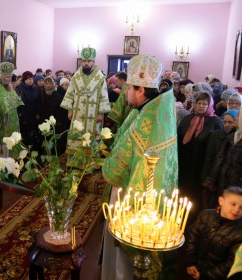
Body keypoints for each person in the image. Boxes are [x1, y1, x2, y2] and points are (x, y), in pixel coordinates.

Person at [101, 55, 178, 280]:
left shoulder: (148, 120)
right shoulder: (158, 108)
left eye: (128, 89)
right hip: (154, 194)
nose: (125, 93)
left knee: (125, 252)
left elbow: (115, 170)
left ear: (140, 90)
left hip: (136, 197)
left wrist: (107, 162)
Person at [177, 91, 224, 222]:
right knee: (181, 194)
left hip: (201, 168)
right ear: (194, 104)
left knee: (196, 198)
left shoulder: (215, 122)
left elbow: (216, 150)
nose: (201, 106)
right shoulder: (188, 119)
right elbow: (179, 138)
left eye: (204, 103)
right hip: (184, 166)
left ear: (209, 105)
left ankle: (192, 222)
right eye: (199, 103)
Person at [183, 186, 242, 280]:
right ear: (221, 201)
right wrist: (190, 261)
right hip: (192, 266)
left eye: (241, 207)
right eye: (233, 204)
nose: (237, 210)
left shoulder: (239, 232)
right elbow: (192, 237)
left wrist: (205, 276)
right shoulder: (206, 215)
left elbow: (231, 262)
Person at [60, 47, 111, 157]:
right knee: (76, 135)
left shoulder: (100, 77)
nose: (86, 63)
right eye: (84, 61)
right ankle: (74, 160)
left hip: (93, 114)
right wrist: (69, 110)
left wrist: (101, 113)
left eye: (89, 61)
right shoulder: (76, 76)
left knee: (92, 136)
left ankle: (90, 163)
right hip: (77, 113)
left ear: (93, 62)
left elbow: (104, 96)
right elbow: (70, 93)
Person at [201, 109, 238, 208]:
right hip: (215, 177)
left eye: (230, 122)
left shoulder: (236, 139)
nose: (227, 124)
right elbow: (209, 158)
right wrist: (207, 178)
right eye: (225, 122)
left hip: (229, 180)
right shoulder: (215, 135)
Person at [0, 62, 23, 157]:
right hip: (2, 124)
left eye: (10, 77)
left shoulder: (9, 88)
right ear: (1, 76)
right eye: (7, 77)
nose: (9, 79)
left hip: (13, 123)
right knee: (4, 151)